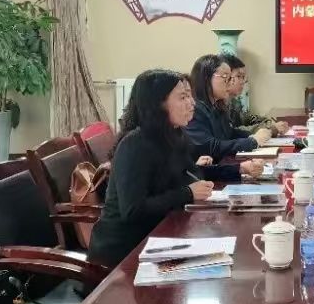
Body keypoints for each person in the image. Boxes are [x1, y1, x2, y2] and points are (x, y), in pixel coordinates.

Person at [88, 70, 261, 268]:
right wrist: (187, 193)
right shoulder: (134, 145)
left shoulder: (174, 134)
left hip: (159, 237)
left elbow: (193, 172)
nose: (192, 103)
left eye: (190, 96)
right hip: (124, 254)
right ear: (158, 104)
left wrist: (239, 169)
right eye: (183, 97)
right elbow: (133, 210)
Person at [186, 54, 272, 158]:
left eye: (231, 78)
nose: (230, 83)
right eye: (225, 77)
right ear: (206, 78)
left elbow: (229, 134)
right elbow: (210, 147)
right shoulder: (193, 109)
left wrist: (255, 136)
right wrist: (252, 142)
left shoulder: (217, 106)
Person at [222, 53, 291, 136]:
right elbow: (233, 132)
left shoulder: (233, 102)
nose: (243, 81)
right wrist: (271, 128)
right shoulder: (216, 105)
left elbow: (247, 119)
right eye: (239, 76)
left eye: (244, 77)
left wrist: (268, 122)